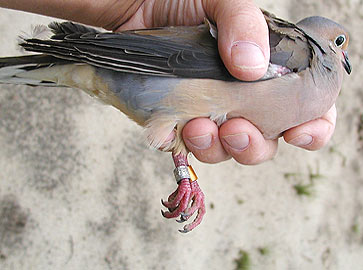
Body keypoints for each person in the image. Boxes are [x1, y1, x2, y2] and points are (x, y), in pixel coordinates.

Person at [0, 0, 337, 165]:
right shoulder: (298, 54)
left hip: (162, 102)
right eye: (340, 44)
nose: (342, 61)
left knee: (190, 135)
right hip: (149, 70)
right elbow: (180, 58)